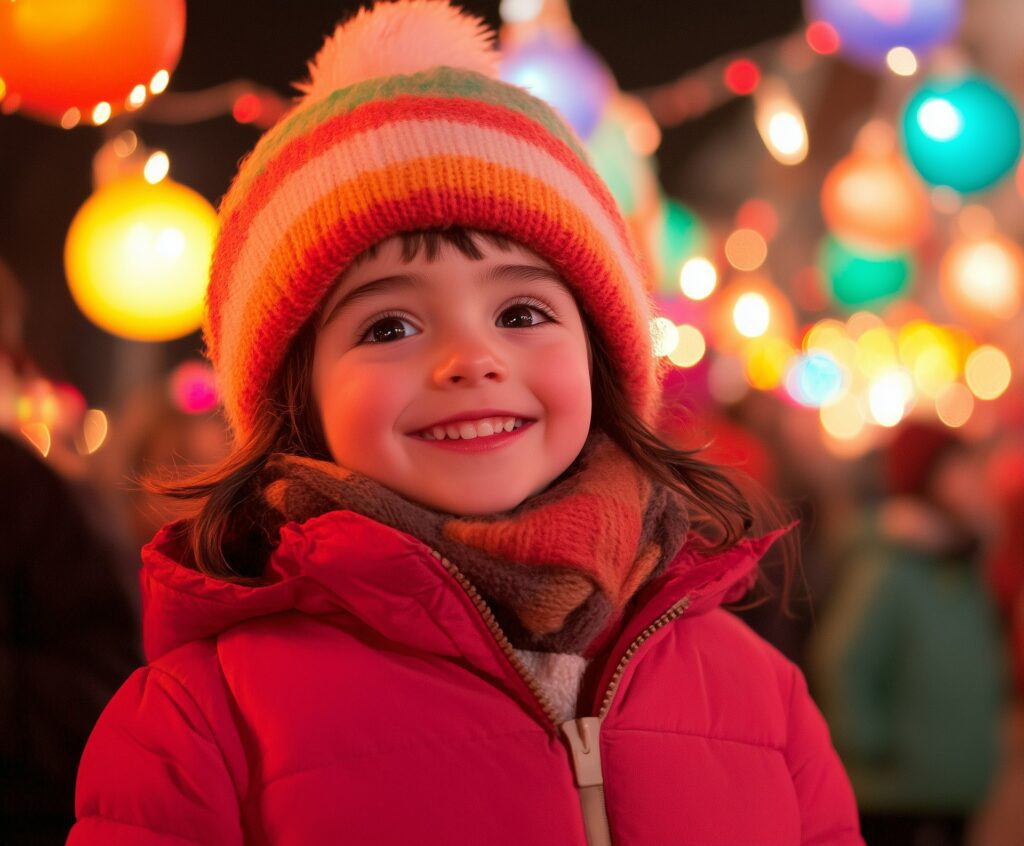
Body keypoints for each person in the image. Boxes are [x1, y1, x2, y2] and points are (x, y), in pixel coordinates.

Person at [68, 2, 861, 843]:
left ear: (600, 355)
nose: (470, 360)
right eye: (389, 327)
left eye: (521, 312)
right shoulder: (205, 722)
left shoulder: (761, 698)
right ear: (298, 401)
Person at [809, 422, 1005, 846]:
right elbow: (843, 658)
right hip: (899, 794)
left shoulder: (964, 561)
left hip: (954, 789)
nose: (975, 482)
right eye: (961, 470)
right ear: (929, 479)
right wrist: (872, 744)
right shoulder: (891, 566)